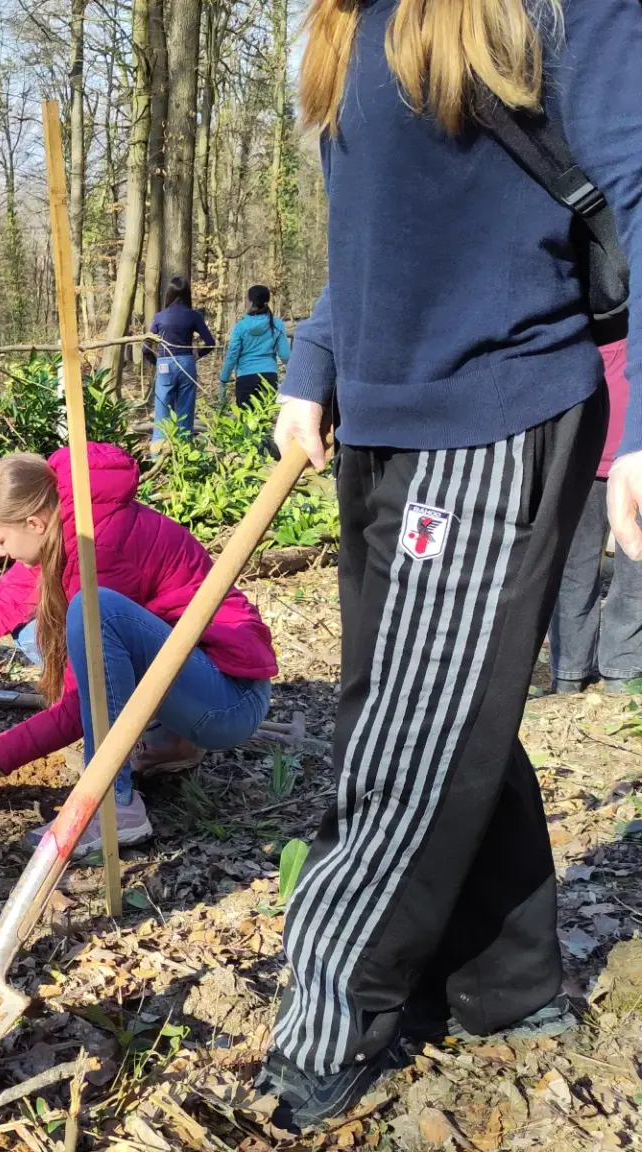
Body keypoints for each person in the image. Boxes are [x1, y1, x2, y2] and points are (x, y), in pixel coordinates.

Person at [263, 0, 642, 1132]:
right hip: (380, 417)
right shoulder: (346, 21)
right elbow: (372, 225)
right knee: (427, 701)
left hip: (497, 405)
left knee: (410, 728)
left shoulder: (565, 8)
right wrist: (316, 359)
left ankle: (330, 1017)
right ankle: (505, 985)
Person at [0, 446, 276, 851]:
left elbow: (85, 703)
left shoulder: (98, 547)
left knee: (93, 612)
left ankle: (114, 808)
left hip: (227, 701)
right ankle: (169, 740)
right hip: (191, 679)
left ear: (34, 522)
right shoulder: (69, 522)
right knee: (36, 629)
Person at [545, 342, 641, 694]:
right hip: (582, 471)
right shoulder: (581, 333)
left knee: (636, 578)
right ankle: (569, 673)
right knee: (574, 575)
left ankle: (621, 671)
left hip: (635, 472)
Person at [143, 275, 216, 443]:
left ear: (169, 293)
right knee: (185, 410)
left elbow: (146, 347)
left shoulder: (159, 317)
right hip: (186, 363)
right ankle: (184, 453)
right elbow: (210, 343)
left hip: (164, 364)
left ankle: (158, 454)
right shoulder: (194, 316)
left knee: (161, 410)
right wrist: (198, 354)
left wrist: (156, 362)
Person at [219, 285, 292, 409]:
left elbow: (232, 355)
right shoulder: (277, 324)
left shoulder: (240, 326)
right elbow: (285, 355)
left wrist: (224, 379)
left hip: (245, 377)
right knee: (263, 420)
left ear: (250, 301)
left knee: (246, 422)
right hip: (269, 377)